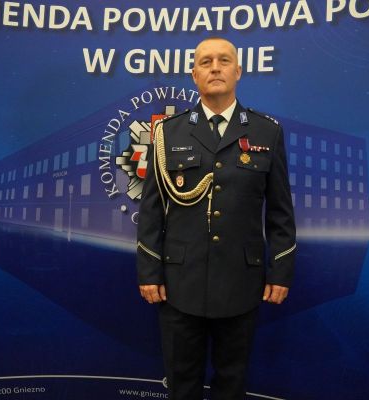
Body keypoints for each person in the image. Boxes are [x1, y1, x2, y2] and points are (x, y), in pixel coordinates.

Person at [136, 37, 296, 400]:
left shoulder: (266, 132)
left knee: (232, 383)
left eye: (224, 60)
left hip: (241, 282)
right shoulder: (167, 132)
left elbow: (280, 211)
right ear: (194, 75)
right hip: (180, 282)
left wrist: (281, 270)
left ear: (238, 71)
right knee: (181, 383)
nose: (215, 68)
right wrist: (149, 271)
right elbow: (151, 210)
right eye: (205, 62)